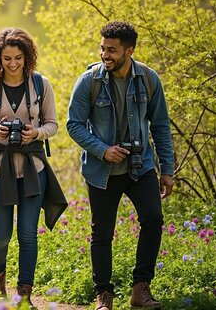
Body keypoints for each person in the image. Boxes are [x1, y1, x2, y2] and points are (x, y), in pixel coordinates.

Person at [66, 21, 174, 310]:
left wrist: (167, 169)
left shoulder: (149, 79)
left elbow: (161, 126)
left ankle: (141, 290)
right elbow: (73, 125)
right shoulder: (89, 81)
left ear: (129, 50)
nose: (105, 55)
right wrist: (103, 150)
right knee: (102, 232)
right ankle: (104, 295)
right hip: (102, 171)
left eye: (112, 50)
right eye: (102, 48)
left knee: (153, 218)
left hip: (141, 167)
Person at [0, 27, 67, 304]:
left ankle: (24, 296)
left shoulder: (41, 84)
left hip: (33, 170)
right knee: (1, 236)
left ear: (27, 57)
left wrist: (35, 133)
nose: (12, 64)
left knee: (27, 234)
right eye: (7, 58)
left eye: (18, 58)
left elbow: (53, 124)